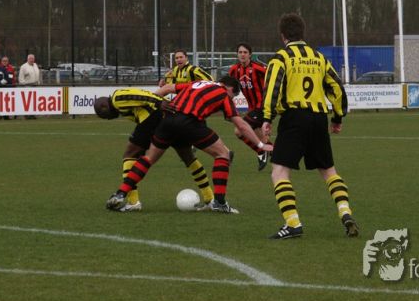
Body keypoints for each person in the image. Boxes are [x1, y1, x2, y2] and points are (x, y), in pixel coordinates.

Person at [105, 76, 272, 214]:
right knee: (223, 154)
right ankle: (219, 202)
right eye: (233, 95)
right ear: (229, 88)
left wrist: (155, 105)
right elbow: (241, 125)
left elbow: (167, 88)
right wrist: (260, 144)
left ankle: (120, 193)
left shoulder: (196, 83)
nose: (232, 99)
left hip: (167, 120)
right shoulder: (223, 94)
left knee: (149, 158)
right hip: (189, 122)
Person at [261, 13, 358, 240]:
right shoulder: (319, 58)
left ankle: (292, 224)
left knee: (279, 172)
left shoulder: (281, 58)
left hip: (294, 118)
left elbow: (272, 89)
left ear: (283, 36)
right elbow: (337, 88)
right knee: (329, 171)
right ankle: (345, 212)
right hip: (318, 118)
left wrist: (267, 117)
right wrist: (337, 117)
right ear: (303, 33)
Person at [94, 88, 217, 212]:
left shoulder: (117, 98)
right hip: (170, 118)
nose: (108, 119)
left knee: (130, 154)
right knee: (188, 157)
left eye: (105, 116)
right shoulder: (121, 108)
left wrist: (159, 102)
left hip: (153, 117)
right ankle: (209, 198)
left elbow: (140, 95)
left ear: (104, 107)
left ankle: (132, 201)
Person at [228, 42, 271, 170]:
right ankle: (280, 155)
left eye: (245, 52)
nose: (242, 54)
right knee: (263, 139)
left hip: (262, 106)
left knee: (239, 131)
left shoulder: (258, 68)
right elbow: (229, 86)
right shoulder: (234, 70)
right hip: (252, 109)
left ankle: (261, 151)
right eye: (240, 52)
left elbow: (273, 78)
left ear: (250, 54)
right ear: (237, 54)